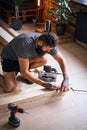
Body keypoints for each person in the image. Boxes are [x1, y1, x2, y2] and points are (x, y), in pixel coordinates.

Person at [0, 32, 69, 93]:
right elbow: (24, 72)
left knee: (44, 60)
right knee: (10, 88)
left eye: (50, 49)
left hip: (23, 59)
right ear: (40, 43)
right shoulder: (25, 44)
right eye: (47, 49)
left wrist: (66, 78)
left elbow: (61, 59)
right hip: (9, 59)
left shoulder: (48, 43)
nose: (49, 51)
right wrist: (44, 84)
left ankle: (24, 70)